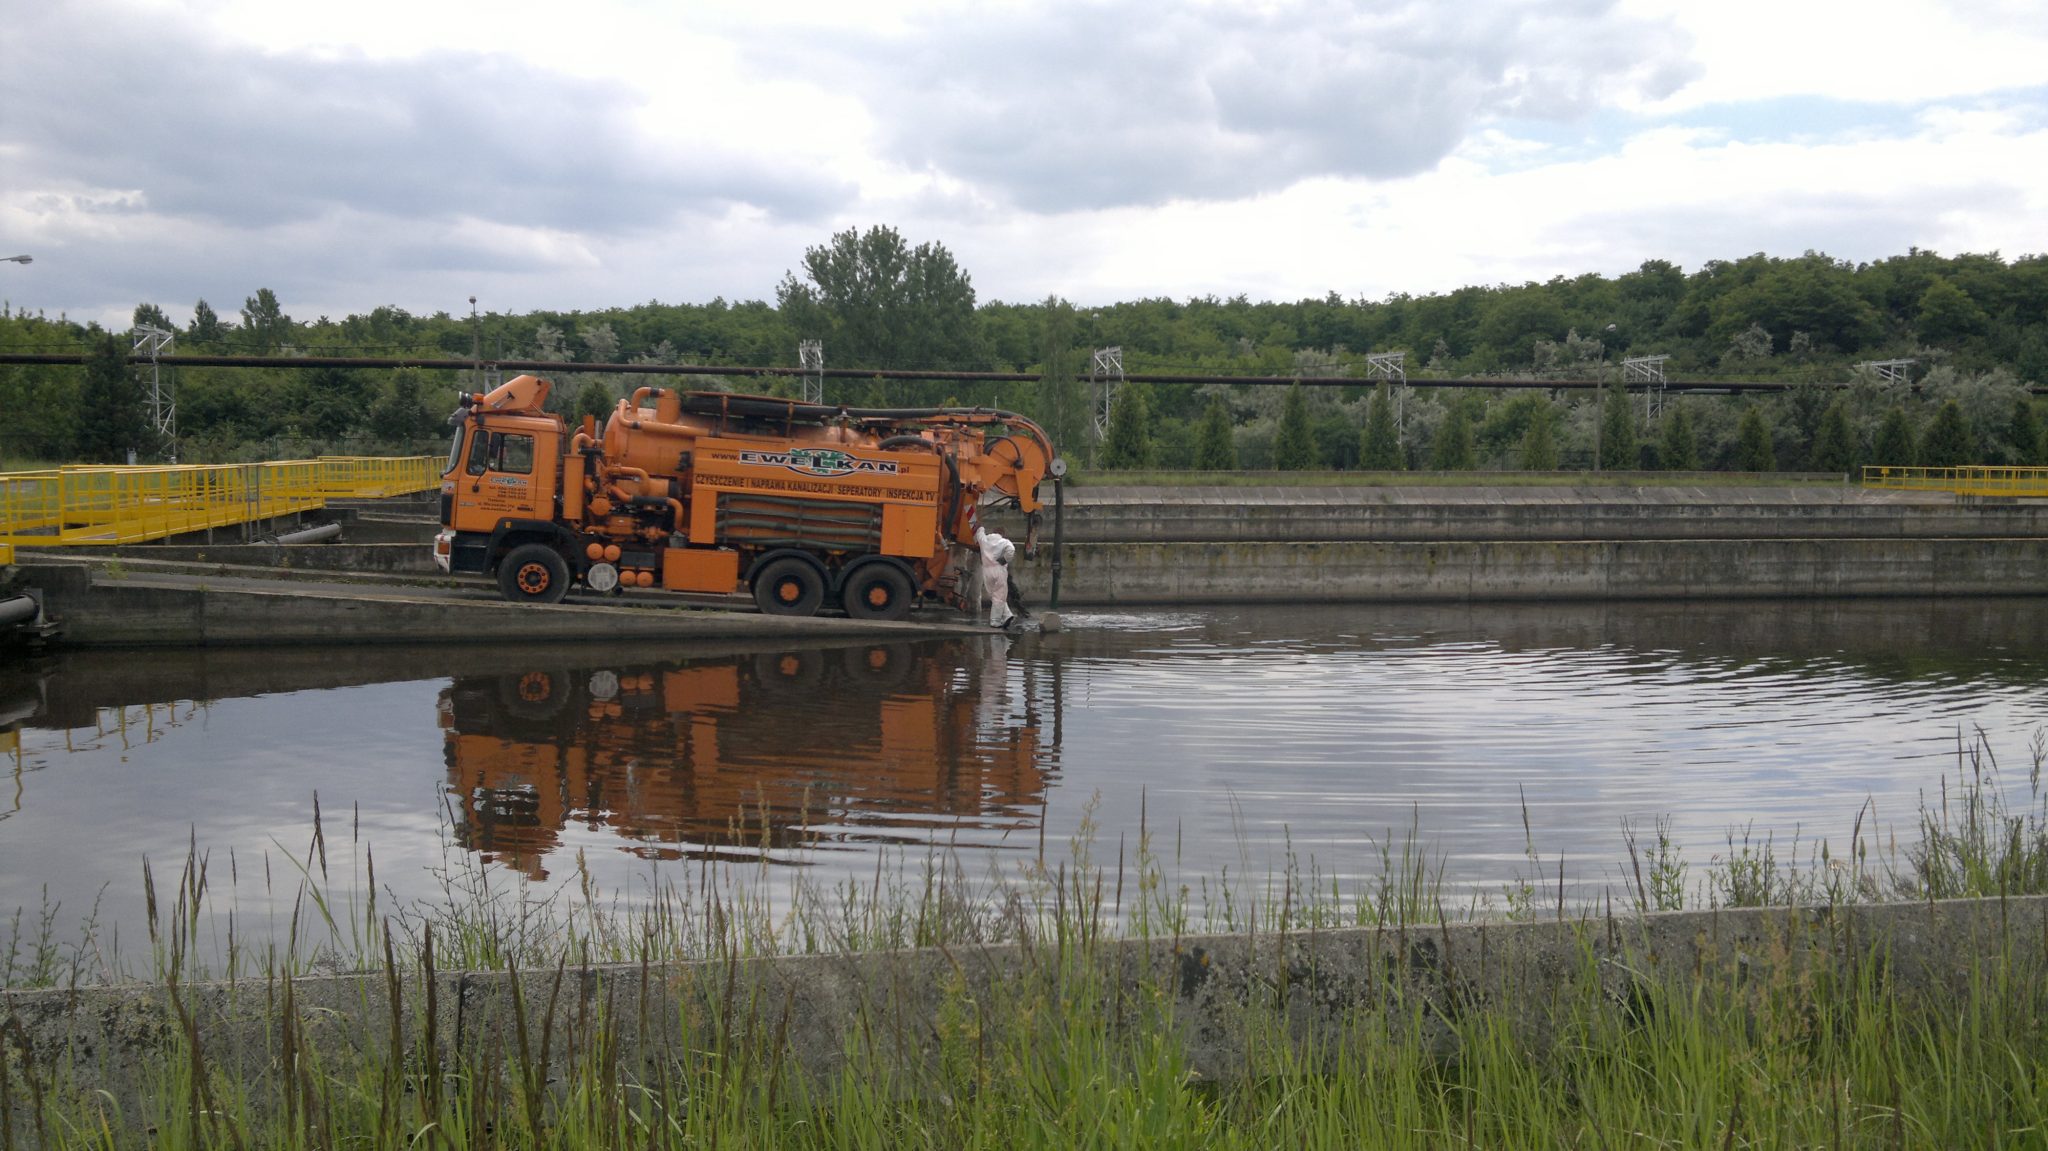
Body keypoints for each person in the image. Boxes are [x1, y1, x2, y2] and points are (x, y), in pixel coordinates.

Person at [974, 525, 1017, 629]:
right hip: (999, 569)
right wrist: (1005, 559)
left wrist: (980, 527)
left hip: (986, 570)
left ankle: (1007, 615)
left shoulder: (985, 540)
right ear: (1002, 534)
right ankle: (995, 621)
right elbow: (1011, 550)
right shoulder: (1004, 541)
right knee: (1000, 595)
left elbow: (979, 534)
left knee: (994, 595)